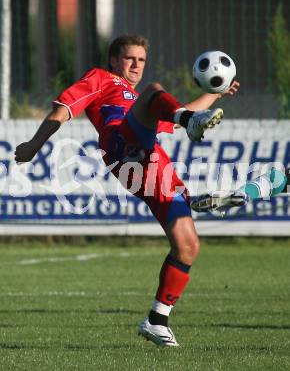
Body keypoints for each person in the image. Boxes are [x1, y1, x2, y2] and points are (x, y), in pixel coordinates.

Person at [15, 34, 240, 347]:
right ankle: (193, 133)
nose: (136, 65)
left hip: (152, 164)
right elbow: (63, 110)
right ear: (114, 60)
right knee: (156, 94)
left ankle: (157, 320)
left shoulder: (139, 102)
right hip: (123, 145)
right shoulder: (102, 78)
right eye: (130, 58)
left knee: (188, 245)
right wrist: (33, 145)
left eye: (141, 60)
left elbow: (174, 119)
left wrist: (215, 95)